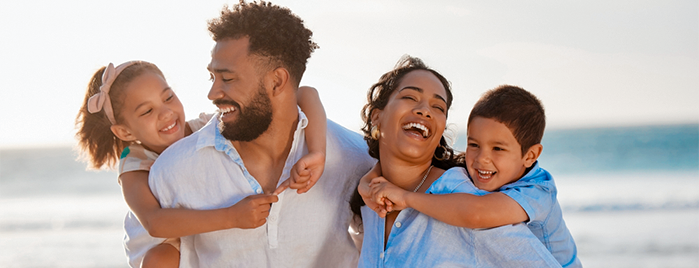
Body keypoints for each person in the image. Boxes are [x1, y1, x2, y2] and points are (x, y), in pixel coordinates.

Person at [147, 2, 375, 267]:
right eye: (212, 77)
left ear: (277, 81)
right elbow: (151, 254)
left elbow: (381, 249)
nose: (213, 94)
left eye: (228, 79)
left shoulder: (354, 159)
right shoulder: (173, 170)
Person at [75, 60, 328, 267]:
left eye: (168, 97)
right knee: (159, 260)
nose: (165, 113)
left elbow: (305, 93)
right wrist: (232, 216)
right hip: (168, 242)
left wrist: (317, 152)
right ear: (124, 132)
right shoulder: (134, 162)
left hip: (203, 234)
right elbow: (155, 223)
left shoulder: (205, 129)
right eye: (146, 111)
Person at [349, 56, 561, 267]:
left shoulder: (463, 197)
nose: (425, 110)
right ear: (377, 116)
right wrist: (368, 182)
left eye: (438, 107)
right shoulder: (370, 201)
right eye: (410, 97)